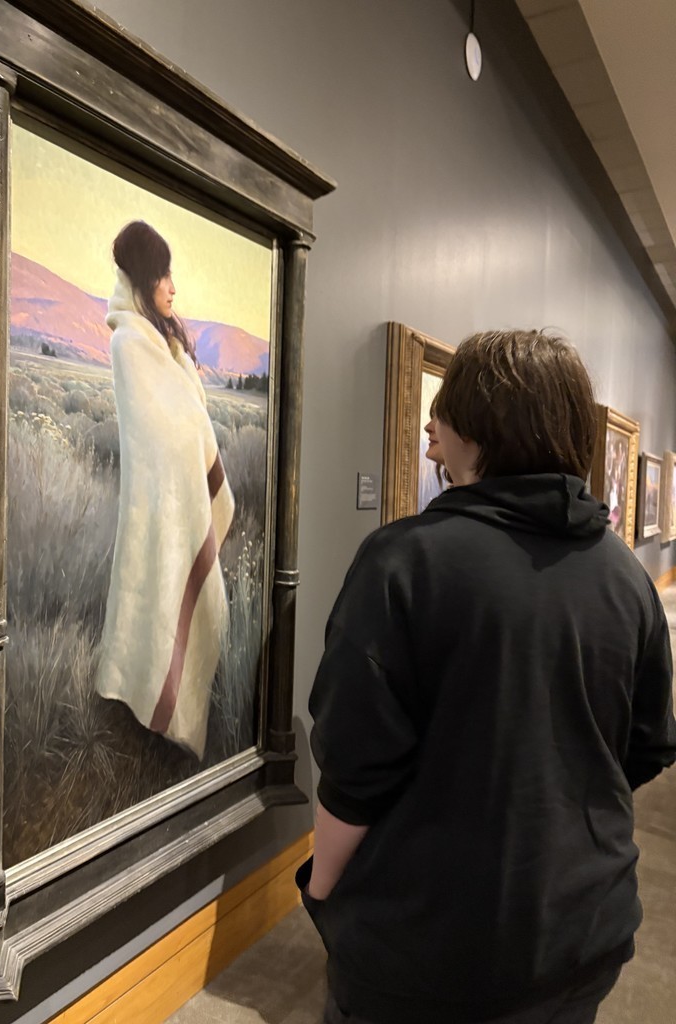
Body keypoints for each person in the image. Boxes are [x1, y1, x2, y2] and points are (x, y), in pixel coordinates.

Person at [298, 329, 676, 1024]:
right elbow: (647, 747)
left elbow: (354, 764)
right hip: (582, 933)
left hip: (425, 949)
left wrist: (323, 887)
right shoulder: (627, 579)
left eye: (446, 416)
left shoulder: (403, 564)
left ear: (481, 429)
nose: (432, 435)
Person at [95, 220, 234, 760]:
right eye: (164, 275)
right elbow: (166, 432)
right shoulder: (130, 343)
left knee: (205, 610)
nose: (173, 287)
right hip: (159, 505)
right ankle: (152, 730)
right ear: (143, 279)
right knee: (153, 600)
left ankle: (172, 721)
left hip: (178, 500)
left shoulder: (160, 341)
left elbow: (186, 417)